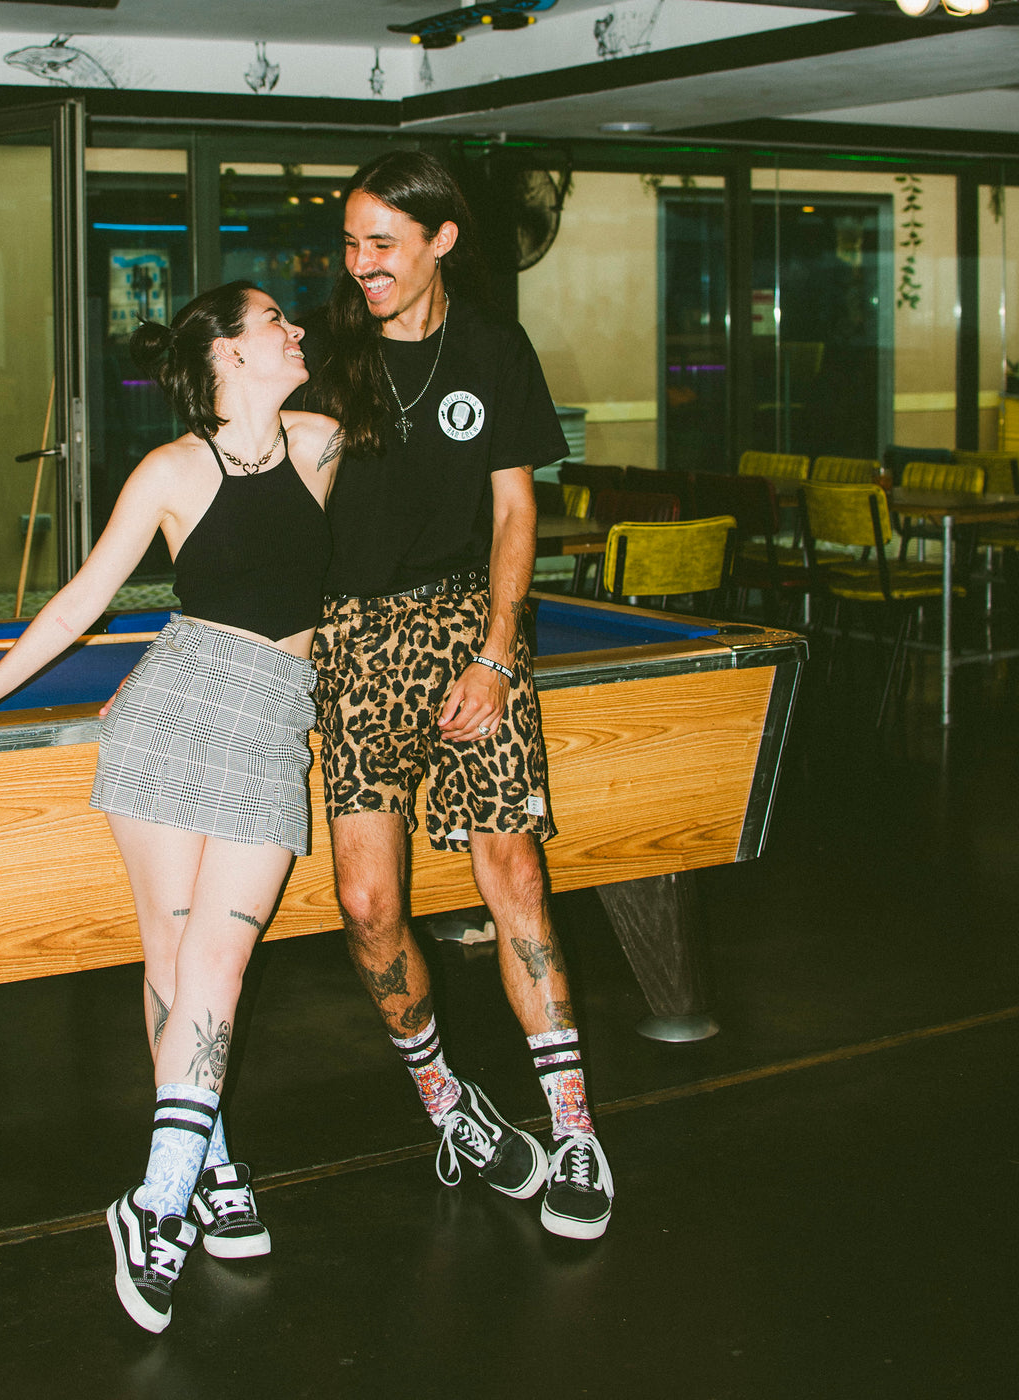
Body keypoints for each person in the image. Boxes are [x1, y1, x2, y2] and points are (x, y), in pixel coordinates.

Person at [0, 280, 342, 1332]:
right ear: (226, 353)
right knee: (178, 958)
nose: (295, 330)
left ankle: (157, 1196)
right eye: (274, 322)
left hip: (272, 720)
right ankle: (191, 1181)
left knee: (218, 960)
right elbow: (84, 597)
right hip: (174, 714)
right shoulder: (173, 469)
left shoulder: (321, 441)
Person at [303, 151, 613, 1239]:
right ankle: (447, 1100)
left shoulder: (492, 347)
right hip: (350, 638)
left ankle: (571, 1123)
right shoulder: (325, 352)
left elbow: (514, 515)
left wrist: (493, 653)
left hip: (464, 627)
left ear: (440, 239)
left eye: (381, 242)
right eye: (349, 243)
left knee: (510, 876)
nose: (360, 264)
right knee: (364, 904)